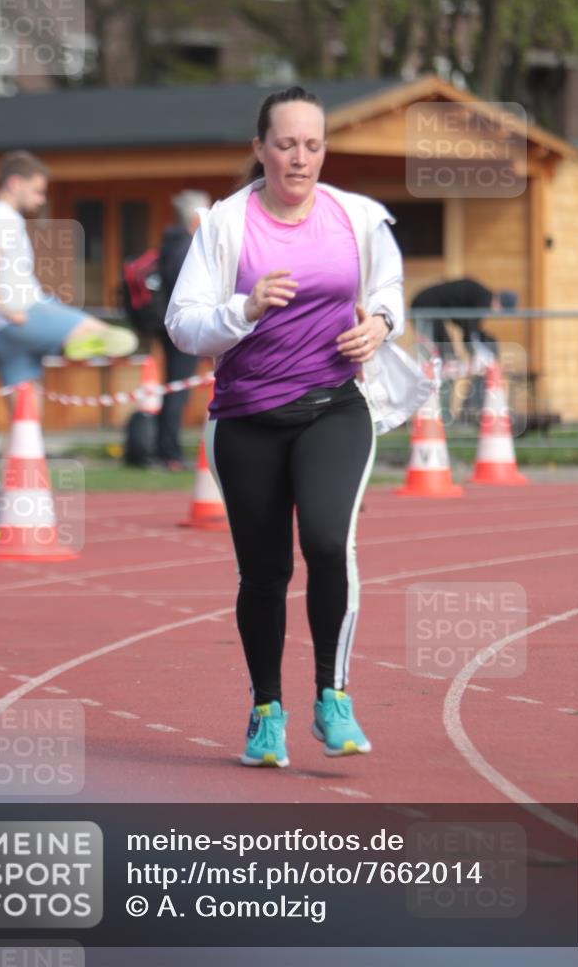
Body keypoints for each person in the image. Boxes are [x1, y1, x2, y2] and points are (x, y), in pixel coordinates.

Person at [165, 86, 430, 768]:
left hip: (333, 408)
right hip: (247, 418)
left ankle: (332, 697)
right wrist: (243, 309)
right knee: (264, 571)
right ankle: (265, 711)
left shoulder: (354, 216)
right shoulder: (226, 225)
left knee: (325, 539)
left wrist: (378, 324)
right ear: (259, 149)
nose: (299, 157)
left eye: (312, 145)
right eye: (285, 144)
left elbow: (387, 290)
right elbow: (182, 324)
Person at [0, 150, 138, 391]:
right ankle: (72, 344)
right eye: (37, 191)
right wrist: (3, 308)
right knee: (117, 336)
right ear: (14, 183)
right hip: (21, 314)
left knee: (25, 401)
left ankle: (71, 345)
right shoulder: (2, 217)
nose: (41, 199)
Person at [156, 190, 211, 471]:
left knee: (174, 389)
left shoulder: (171, 243)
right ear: (194, 218)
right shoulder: (185, 249)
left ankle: (167, 449)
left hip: (171, 329)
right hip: (181, 329)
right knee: (178, 392)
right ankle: (170, 453)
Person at [410, 278, 518, 363]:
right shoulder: (484, 300)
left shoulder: (481, 296)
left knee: (446, 354)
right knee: (438, 354)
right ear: (500, 304)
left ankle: (441, 382)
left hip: (428, 307)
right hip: (424, 308)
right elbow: (470, 331)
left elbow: (467, 327)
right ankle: (432, 385)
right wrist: (477, 354)